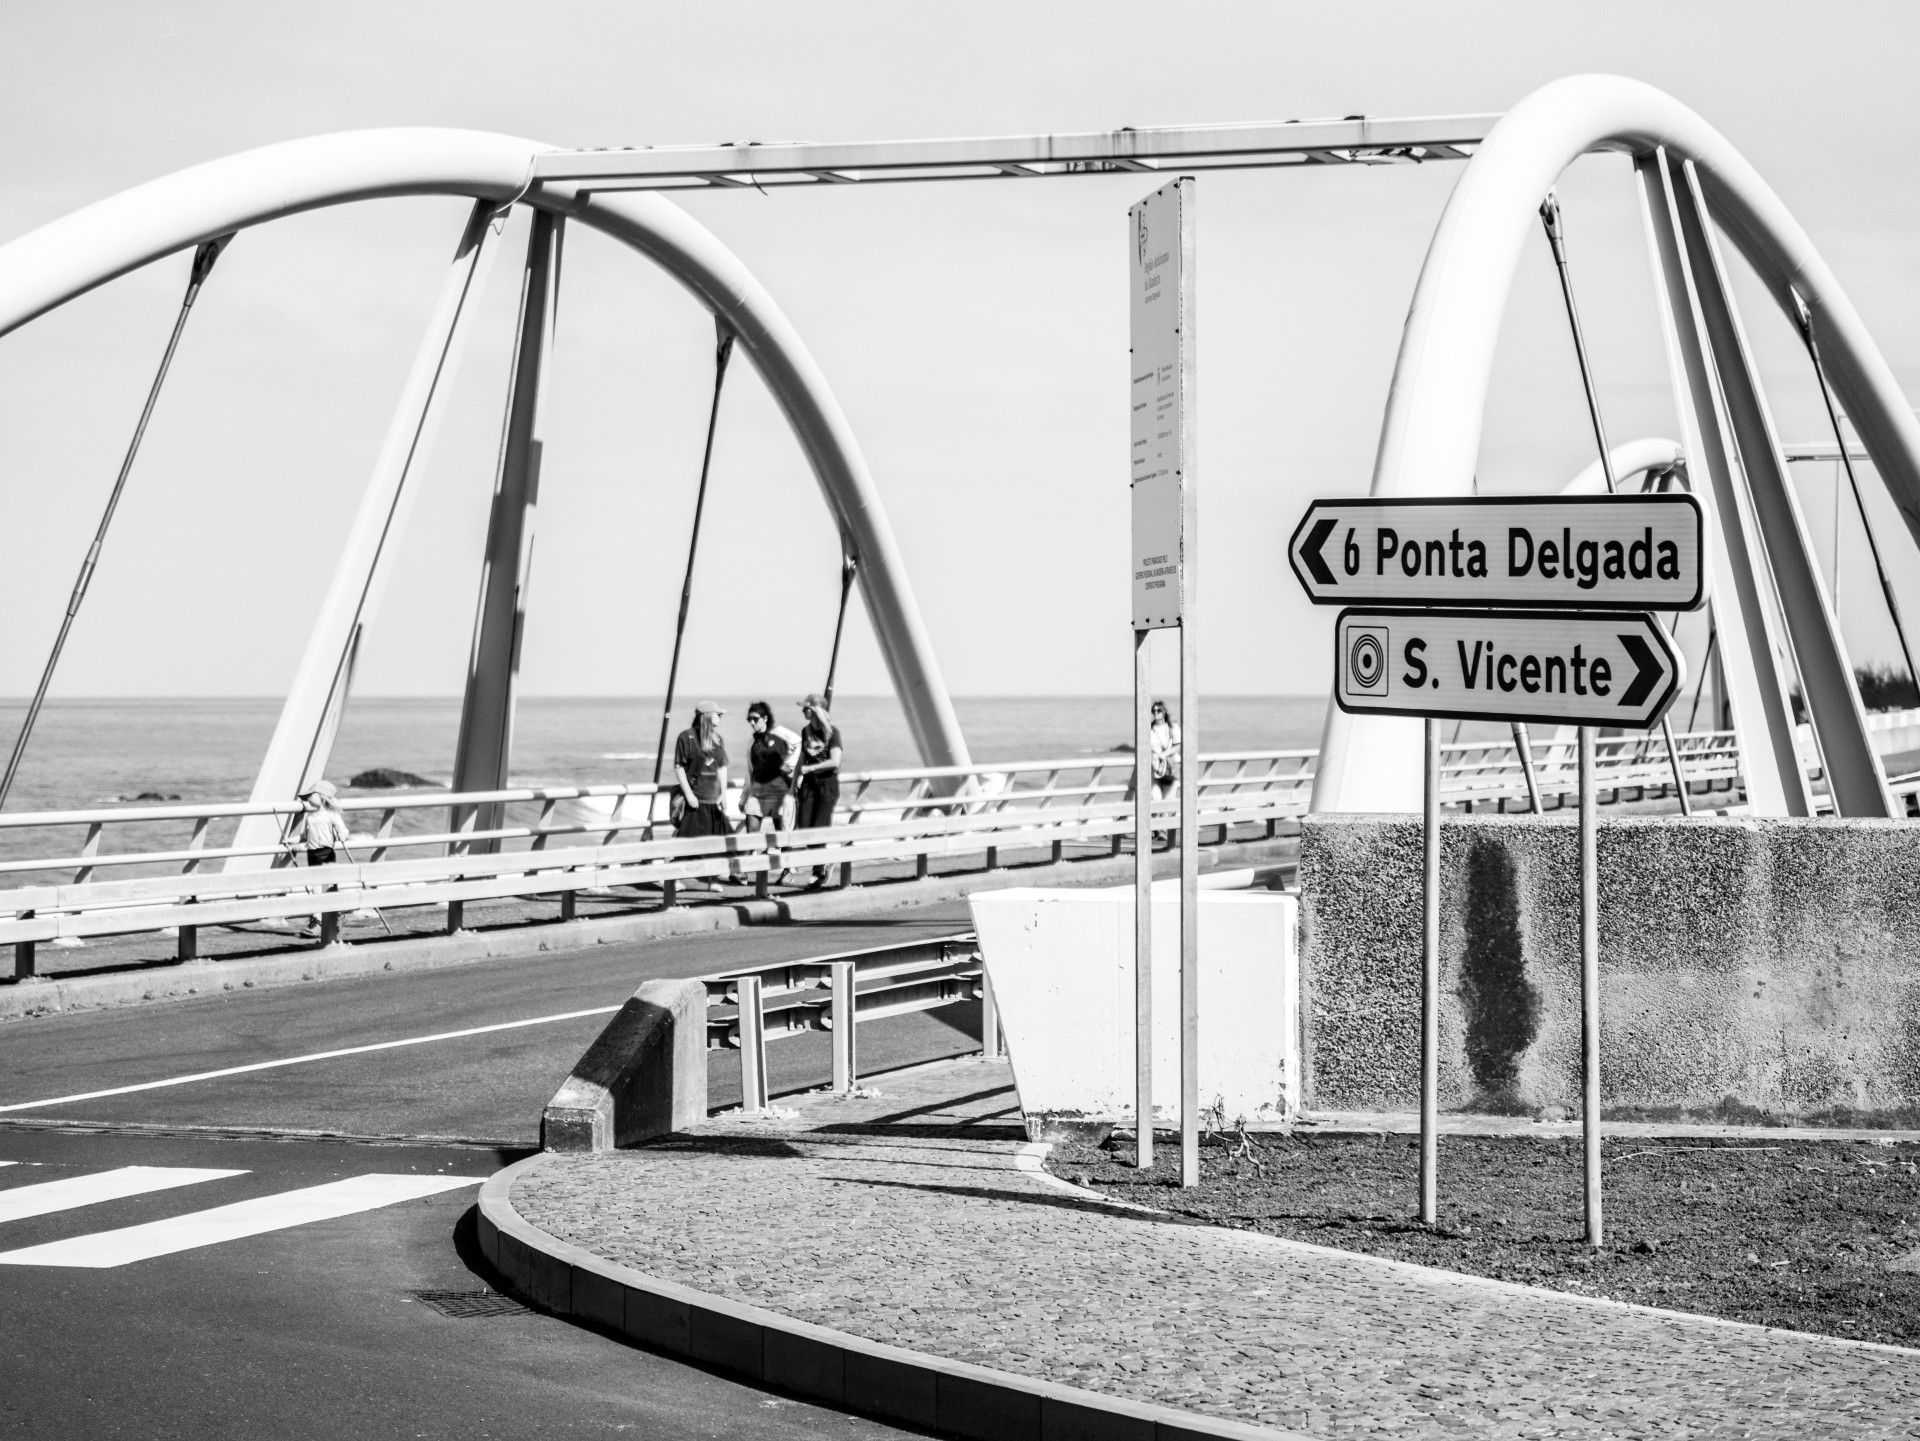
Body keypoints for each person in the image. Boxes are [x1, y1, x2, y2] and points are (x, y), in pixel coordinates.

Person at [286, 780, 350, 938]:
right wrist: (291, 840)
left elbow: (343, 831)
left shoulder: (332, 816)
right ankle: (327, 919)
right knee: (316, 888)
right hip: (312, 854)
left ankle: (322, 921)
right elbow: (304, 836)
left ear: (322, 796)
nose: (308, 798)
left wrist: (342, 835)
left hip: (327, 853)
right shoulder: (310, 818)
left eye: (311, 795)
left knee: (327, 889)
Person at [793, 694, 843, 888]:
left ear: (815, 710)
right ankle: (825, 859)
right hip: (808, 784)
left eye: (806, 708)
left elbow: (835, 761)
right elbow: (801, 759)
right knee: (804, 826)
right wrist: (793, 784)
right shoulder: (806, 731)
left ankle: (818, 870)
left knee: (820, 827)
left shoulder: (833, 732)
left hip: (827, 783)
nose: (802, 711)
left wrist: (811, 768)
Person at [673, 701, 732, 840]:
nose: (720, 717)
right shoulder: (686, 737)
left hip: (714, 803)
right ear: (707, 715)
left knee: (725, 846)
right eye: (718, 714)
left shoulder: (718, 739)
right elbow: (679, 767)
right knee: (690, 846)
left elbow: (722, 768)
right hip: (695, 802)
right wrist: (689, 795)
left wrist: (723, 794)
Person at [1148, 699, 1180, 847]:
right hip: (1155, 768)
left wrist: (1165, 754)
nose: (1156, 713)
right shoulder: (1149, 729)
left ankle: (1162, 830)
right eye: (1153, 711)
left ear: (1164, 712)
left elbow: (1179, 745)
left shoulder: (1172, 727)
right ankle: (1156, 827)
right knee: (1155, 798)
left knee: (1167, 800)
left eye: (1158, 710)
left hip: (1171, 767)